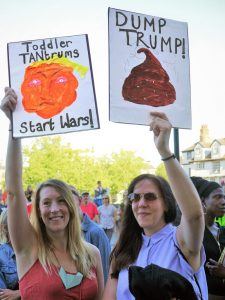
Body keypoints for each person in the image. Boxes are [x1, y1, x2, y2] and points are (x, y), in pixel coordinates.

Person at [1, 87, 104, 300]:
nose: (54, 209)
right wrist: (15, 127)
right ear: (38, 211)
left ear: (72, 207)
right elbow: (12, 191)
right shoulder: (28, 249)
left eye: (60, 201)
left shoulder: (92, 254)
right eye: (46, 203)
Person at [102, 111, 208, 300]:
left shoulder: (180, 243)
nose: (141, 203)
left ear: (167, 204)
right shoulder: (122, 250)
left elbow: (194, 215)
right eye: (135, 197)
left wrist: (165, 152)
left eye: (150, 197)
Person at [191, 176, 225, 300]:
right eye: (217, 197)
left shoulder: (223, 230)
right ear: (203, 201)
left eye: (224, 197)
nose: (223, 201)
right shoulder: (193, 233)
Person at [69, 185, 111, 284]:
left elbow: (106, 272)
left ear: (79, 200)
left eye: (70, 199)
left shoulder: (96, 232)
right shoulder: (64, 232)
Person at [0, 209, 21, 299]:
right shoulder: (1, 256)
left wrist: (18, 293)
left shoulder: (38, 251)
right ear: (5, 228)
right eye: (18, 222)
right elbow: (4, 296)